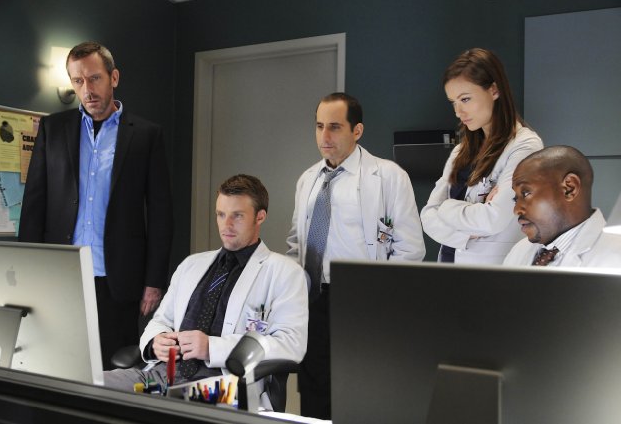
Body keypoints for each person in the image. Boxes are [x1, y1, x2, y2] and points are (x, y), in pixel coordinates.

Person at [19, 41, 173, 370]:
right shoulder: (52, 129)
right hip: (60, 276)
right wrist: (27, 270)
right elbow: (34, 205)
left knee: (111, 371)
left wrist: (154, 281)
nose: (87, 90)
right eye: (78, 81)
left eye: (94, 78)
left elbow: (161, 213)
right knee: (57, 367)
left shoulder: (146, 135)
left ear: (113, 77)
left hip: (118, 281)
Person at [105, 174, 308, 408]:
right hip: (161, 378)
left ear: (260, 216)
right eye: (221, 214)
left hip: (223, 387)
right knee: (86, 385)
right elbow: (162, 320)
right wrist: (155, 342)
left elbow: (291, 345)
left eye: (237, 216)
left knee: (168, 405)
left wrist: (211, 347)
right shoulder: (191, 265)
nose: (226, 225)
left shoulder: (284, 272)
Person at [287, 92, 425, 419]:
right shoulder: (308, 180)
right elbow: (296, 243)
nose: (324, 136)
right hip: (313, 300)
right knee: (314, 392)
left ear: (357, 130)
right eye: (319, 126)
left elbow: (410, 249)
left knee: (361, 393)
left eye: (334, 127)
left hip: (362, 299)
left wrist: (378, 298)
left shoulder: (389, 176)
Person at [421, 48, 543, 264]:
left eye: (465, 99)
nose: (458, 112)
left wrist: (446, 207)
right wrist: (465, 232)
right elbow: (428, 215)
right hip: (448, 266)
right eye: (453, 102)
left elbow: (493, 219)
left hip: (491, 271)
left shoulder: (525, 146)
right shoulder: (460, 151)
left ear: (494, 90)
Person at [504, 145, 621, 266]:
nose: (516, 210)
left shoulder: (616, 255)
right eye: (515, 199)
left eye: (526, 193)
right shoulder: (519, 251)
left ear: (569, 188)